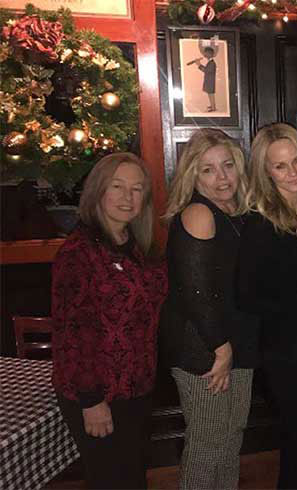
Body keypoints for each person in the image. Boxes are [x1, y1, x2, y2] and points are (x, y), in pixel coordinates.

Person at [52, 153, 167, 489]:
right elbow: (73, 332)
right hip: (98, 392)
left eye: (136, 189)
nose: (127, 197)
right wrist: (91, 400)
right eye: (117, 187)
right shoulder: (79, 252)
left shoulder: (139, 246)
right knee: (110, 480)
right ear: (98, 190)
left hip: (137, 386)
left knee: (132, 477)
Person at [159, 128, 259, 490]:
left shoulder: (240, 212)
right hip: (205, 346)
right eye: (208, 170)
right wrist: (221, 349)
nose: (222, 178)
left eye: (228, 165)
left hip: (235, 341)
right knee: (208, 440)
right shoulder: (200, 212)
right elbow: (196, 291)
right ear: (193, 176)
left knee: (231, 437)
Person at [237, 123, 297, 488]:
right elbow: (246, 296)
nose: (293, 173)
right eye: (280, 166)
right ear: (265, 171)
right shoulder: (259, 223)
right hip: (285, 351)